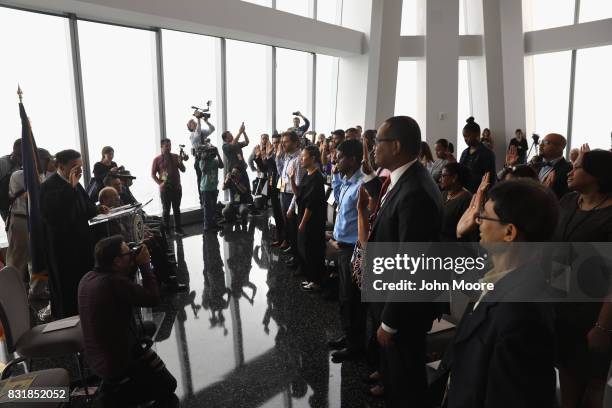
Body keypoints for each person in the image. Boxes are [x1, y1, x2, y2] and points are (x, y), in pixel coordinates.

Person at [443, 178, 559, 408]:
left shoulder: (522, 314)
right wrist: (458, 234)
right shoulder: (500, 274)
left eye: (484, 216)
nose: (477, 221)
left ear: (509, 232)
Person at [364, 116, 443, 407]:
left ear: (395, 146)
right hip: (391, 298)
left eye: (377, 143)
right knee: (396, 375)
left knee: (406, 383)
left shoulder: (416, 192)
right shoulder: (405, 179)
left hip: (404, 311)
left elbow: (413, 263)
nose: (373, 149)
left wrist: (390, 322)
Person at [78, 236, 177, 407]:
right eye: (128, 253)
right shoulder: (113, 282)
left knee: (148, 327)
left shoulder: (88, 277)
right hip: (116, 362)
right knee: (169, 386)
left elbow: (125, 288)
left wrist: (131, 264)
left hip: (95, 357)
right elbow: (153, 298)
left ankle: (121, 384)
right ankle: (121, 389)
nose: (132, 255)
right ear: (116, 261)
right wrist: (145, 265)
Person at [553, 147, 612, 408]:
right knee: (567, 380)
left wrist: (602, 327)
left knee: (591, 387)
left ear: (597, 174)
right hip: (560, 305)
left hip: (593, 311)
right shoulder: (567, 201)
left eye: (577, 166)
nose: (570, 171)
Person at [40, 149, 108, 318]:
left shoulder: (76, 184)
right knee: (67, 288)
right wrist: (70, 187)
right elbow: (53, 215)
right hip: (63, 248)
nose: (78, 170)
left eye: (80, 166)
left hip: (82, 242)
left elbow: (85, 207)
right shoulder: (48, 186)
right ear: (61, 166)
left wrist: (96, 209)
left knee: (84, 281)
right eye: (74, 166)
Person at [327, 139, 366, 362]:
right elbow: (340, 206)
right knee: (344, 299)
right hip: (342, 247)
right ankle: (348, 335)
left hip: (353, 249)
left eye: (340, 156)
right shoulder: (347, 181)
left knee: (353, 300)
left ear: (352, 159)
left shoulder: (361, 184)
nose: (336, 159)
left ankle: (356, 346)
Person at [6, 148, 53, 298]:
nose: (49, 163)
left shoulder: (43, 175)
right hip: (21, 219)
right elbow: (35, 188)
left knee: (37, 258)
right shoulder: (18, 174)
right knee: (17, 260)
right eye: (46, 160)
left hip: (35, 222)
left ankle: (37, 291)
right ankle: (12, 295)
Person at [290, 145, 326, 291]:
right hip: (303, 216)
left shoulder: (317, 177)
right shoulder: (307, 174)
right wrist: (292, 180)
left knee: (312, 250)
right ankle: (311, 278)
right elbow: (299, 194)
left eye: (304, 157)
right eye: (301, 156)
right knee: (305, 249)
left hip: (312, 220)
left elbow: (311, 204)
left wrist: (303, 223)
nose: (301, 159)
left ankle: (316, 281)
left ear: (313, 158)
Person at [275, 131, 303, 265]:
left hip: (293, 196)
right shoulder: (287, 157)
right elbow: (282, 175)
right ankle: (293, 251)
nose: (283, 144)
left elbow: (298, 186)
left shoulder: (299, 159)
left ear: (296, 143)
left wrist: (292, 206)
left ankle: (298, 258)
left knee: (294, 226)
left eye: (285, 142)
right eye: (282, 142)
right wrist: (277, 158)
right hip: (284, 192)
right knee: (288, 226)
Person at [151, 138, 186, 236]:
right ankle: (166, 231)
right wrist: (160, 183)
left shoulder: (175, 156)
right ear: (161, 147)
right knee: (166, 210)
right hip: (165, 189)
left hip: (177, 187)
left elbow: (183, 170)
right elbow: (153, 174)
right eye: (166, 146)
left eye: (170, 145)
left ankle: (178, 229)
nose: (169, 147)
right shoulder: (157, 159)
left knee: (177, 209)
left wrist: (181, 162)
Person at [460, 116, 496, 193]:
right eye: (464, 136)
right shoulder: (464, 153)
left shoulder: (487, 153)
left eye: (467, 136)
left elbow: (490, 178)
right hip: (464, 192)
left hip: (479, 192)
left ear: (477, 135)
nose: (465, 139)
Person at [438, 162, 473, 242]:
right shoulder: (443, 194)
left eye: (443, 176)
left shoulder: (466, 200)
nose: (440, 179)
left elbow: (466, 235)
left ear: (454, 178)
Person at [188, 113, 215, 205]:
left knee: (209, 179)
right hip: (199, 160)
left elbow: (212, 129)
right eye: (192, 123)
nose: (194, 123)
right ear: (190, 128)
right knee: (201, 181)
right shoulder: (192, 135)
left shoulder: (202, 132)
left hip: (207, 159)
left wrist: (206, 121)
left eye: (194, 121)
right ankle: (202, 201)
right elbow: (198, 133)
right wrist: (199, 119)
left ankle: (211, 198)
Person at [536, 133, 572, 199]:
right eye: (541, 142)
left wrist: (548, 192)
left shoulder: (568, 170)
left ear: (559, 148)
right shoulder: (535, 163)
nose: (541, 145)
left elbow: (565, 200)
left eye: (546, 142)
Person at [199, 140, 224, 232]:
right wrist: (205, 158)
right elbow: (203, 170)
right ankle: (207, 226)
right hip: (205, 188)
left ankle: (214, 224)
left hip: (213, 187)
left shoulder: (215, 161)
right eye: (209, 151)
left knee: (213, 207)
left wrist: (217, 153)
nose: (211, 153)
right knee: (207, 208)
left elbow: (222, 166)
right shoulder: (202, 161)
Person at [222, 122, 251, 196]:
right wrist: (240, 132)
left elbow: (247, 142)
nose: (232, 136)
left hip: (242, 169)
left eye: (231, 134)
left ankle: (248, 202)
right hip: (234, 172)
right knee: (236, 190)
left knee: (246, 186)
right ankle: (236, 204)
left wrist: (243, 132)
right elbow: (232, 144)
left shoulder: (237, 144)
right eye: (229, 136)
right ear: (225, 139)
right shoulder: (225, 146)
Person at [0, 139, 22, 222]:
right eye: (19, 155)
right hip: (6, 205)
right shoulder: (3, 163)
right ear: (14, 150)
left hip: (20, 206)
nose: (22, 158)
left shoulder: (27, 163)